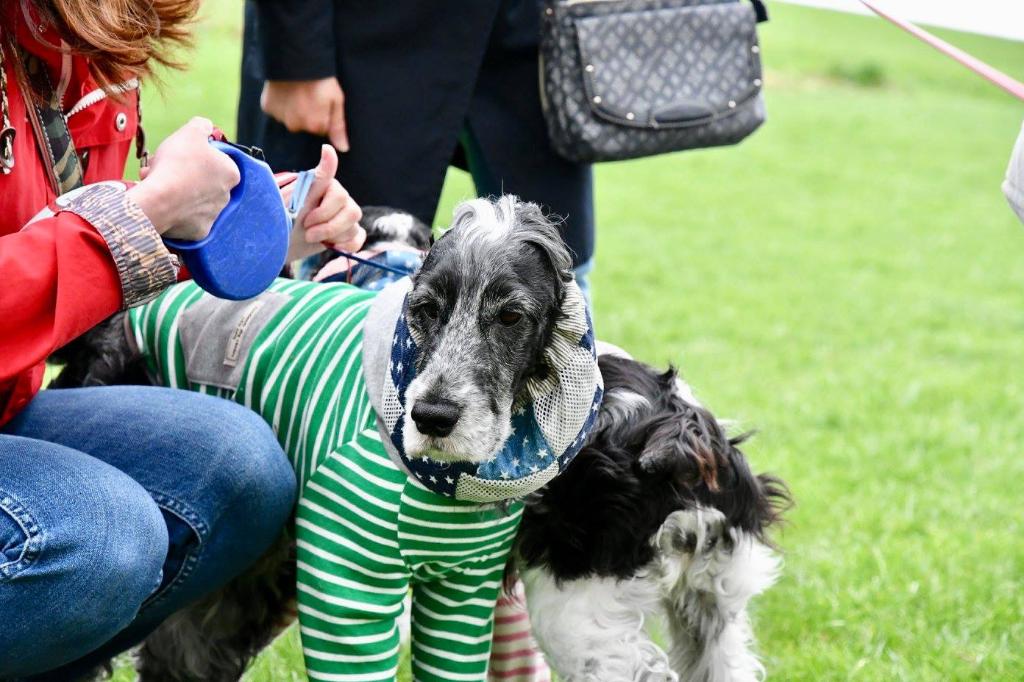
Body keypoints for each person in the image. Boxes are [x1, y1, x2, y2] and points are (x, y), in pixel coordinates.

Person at [0, 0, 362, 678]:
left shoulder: (79, 37)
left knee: (240, 467)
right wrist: (148, 209)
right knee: (105, 533)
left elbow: (67, 245)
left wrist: (240, 224)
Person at [236, 0, 597, 300]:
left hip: (529, 44)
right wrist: (296, 58)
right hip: (360, 47)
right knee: (341, 267)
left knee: (554, 273)